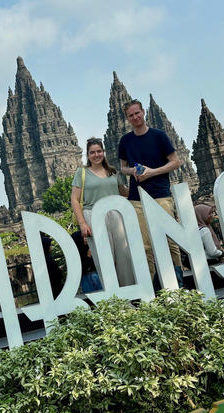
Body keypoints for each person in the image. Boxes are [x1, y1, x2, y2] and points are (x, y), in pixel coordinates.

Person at [117, 99, 184, 289]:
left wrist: (151, 172)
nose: (135, 117)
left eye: (137, 113)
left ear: (143, 112)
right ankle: (152, 288)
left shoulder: (159, 136)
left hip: (160, 193)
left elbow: (175, 162)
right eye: (131, 115)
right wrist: (133, 172)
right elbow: (123, 168)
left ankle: (177, 283)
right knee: (144, 245)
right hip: (136, 197)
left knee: (170, 239)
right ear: (127, 118)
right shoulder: (125, 141)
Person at [71, 137, 134, 286]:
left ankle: (129, 292)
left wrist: (140, 181)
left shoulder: (112, 172)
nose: (96, 155)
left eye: (99, 151)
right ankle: (113, 295)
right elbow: (75, 199)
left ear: (103, 152)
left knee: (125, 255)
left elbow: (124, 192)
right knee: (104, 257)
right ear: (87, 155)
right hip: (93, 215)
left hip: (116, 214)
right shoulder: (82, 173)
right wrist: (82, 224)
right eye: (92, 152)